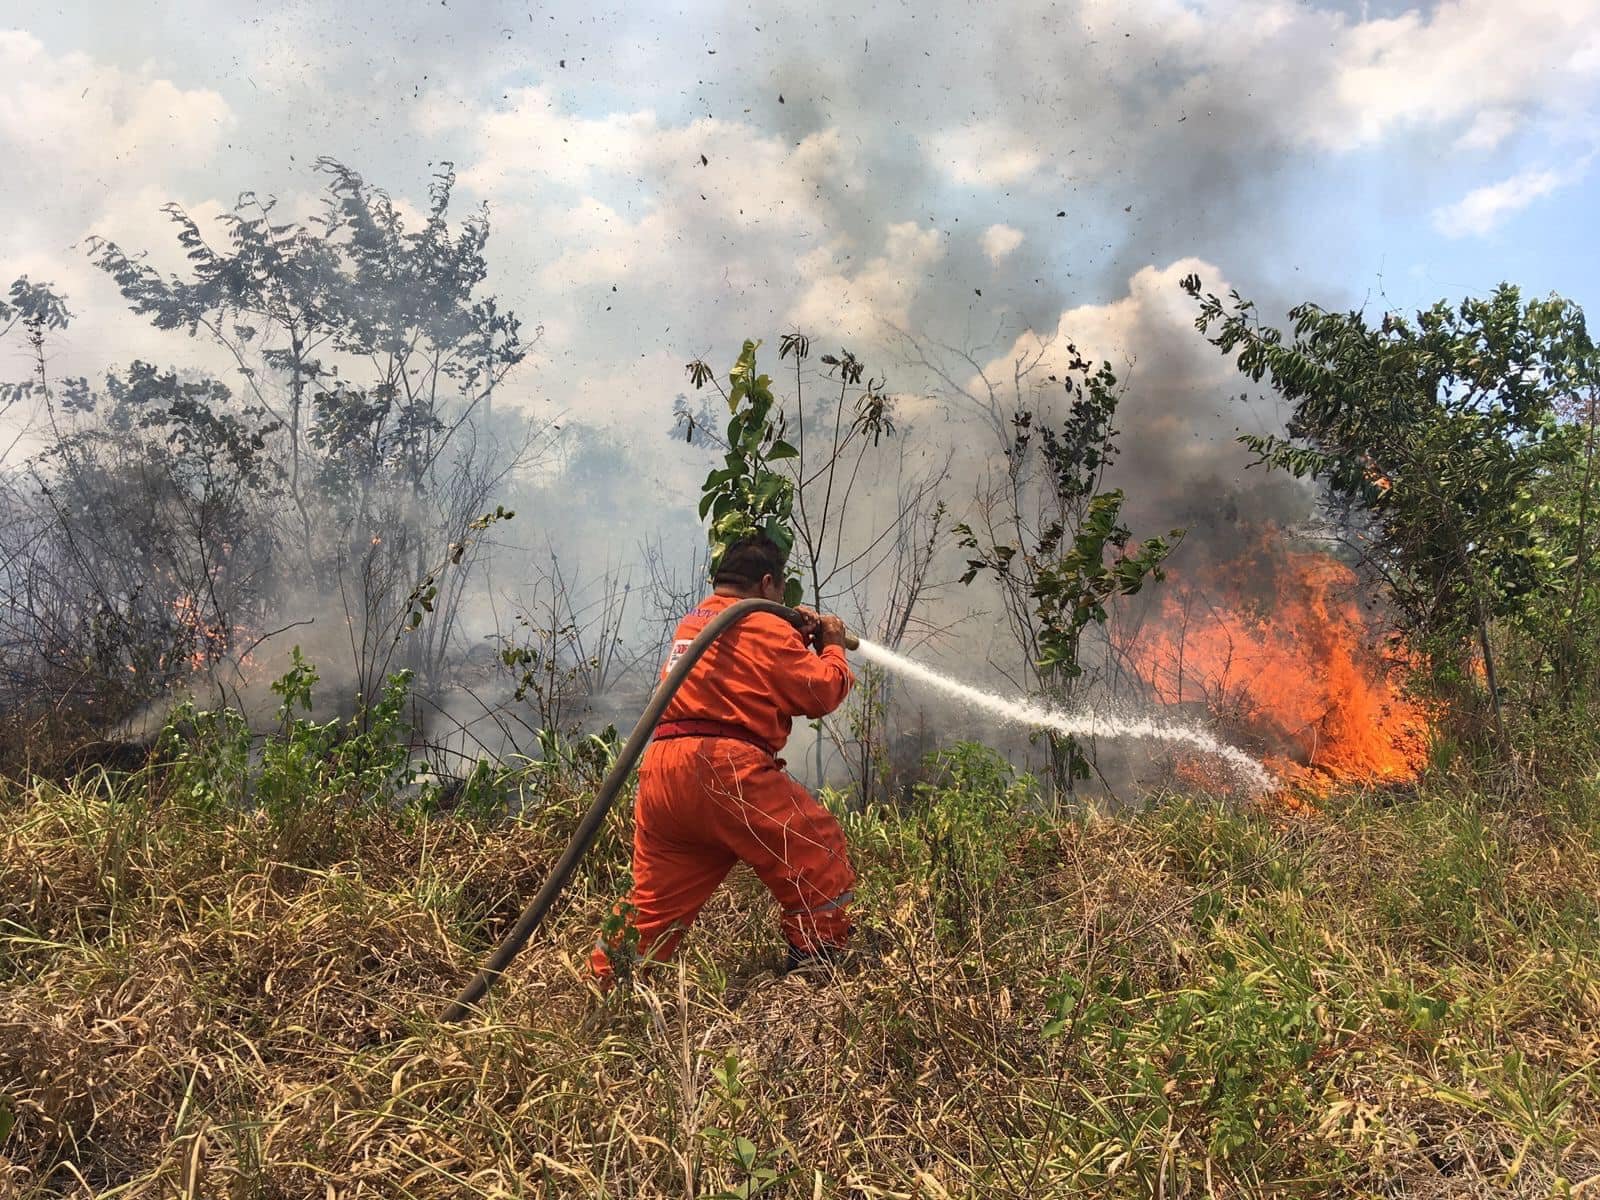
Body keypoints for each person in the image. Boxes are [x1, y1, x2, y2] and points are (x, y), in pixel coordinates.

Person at [591, 533, 856, 986]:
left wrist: (791, 633)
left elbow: (742, 666)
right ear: (769, 583)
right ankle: (818, 968)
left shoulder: (693, 622)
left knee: (653, 903)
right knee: (818, 853)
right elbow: (821, 689)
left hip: (663, 775)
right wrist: (829, 643)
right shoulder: (765, 624)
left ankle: (608, 989)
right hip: (726, 771)